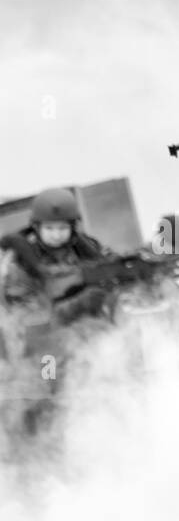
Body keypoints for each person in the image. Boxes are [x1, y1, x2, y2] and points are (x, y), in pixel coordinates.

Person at [0, 188, 115, 438]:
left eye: (62, 229)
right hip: (39, 348)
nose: (56, 235)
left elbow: (112, 270)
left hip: (83, 337)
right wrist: (82, 302)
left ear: (73, 228)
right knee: (47, 390)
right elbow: (28, 319)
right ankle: (46, 444)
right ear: (36, 228)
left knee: (108, 369)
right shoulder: (19, 264)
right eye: (50, 229)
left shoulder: (86, 249)